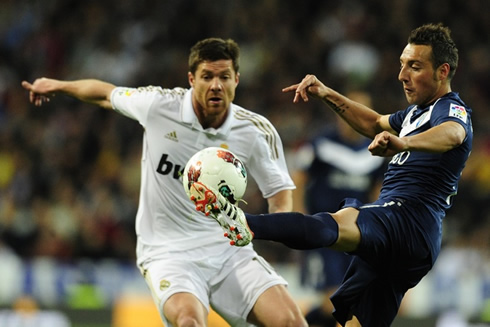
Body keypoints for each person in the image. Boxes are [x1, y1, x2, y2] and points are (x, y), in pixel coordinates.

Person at [188, 23, 473, 327]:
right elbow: (374, 122)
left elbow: (453, 134)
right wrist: (326, 93)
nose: (403, 75)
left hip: (408, 220)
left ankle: (243, 224)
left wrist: (405, 142)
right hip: (407, 240)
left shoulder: (451, 109)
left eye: (414, 66)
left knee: (332, 223)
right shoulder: (416, 113)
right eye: (403, 65)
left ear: (443, 72)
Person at [21, 38, 307, 327]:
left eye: (224, 77)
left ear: (237, 79)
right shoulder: (159, 105)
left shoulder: (255, 131)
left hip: (229, 252)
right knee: (189, 321)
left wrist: (262, 230)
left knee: (291, 322)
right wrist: (58, 85)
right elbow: (106, 95)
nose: (216, 85)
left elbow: (279, 194)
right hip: (168, 252)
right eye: (207, 76)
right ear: (191, 79)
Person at [292, 91, 385, 327]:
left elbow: (378, 191)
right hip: (325, 232)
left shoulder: (377, 150)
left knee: (351, 302)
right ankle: (295, 320)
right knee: (334, 301)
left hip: (357, 236)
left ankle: (301, 319)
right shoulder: (321, 143)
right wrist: (299, 218)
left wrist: (379, 228)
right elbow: (299, 178)